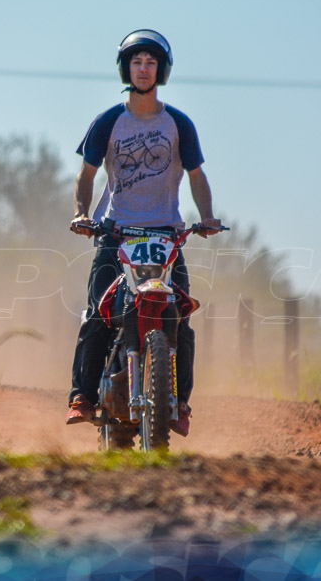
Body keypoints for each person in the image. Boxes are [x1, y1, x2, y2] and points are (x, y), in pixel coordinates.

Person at [66, 29, 221, 437]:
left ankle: (181, 403)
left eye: (151, 62)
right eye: (136, 62)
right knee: (97, 313)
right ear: (126, 68)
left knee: (180, 318)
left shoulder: (179, 124)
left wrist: (206, 217)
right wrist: (83, 213)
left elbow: (196, 175)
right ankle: (81, 396)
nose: (144, 68)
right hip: (115, 233)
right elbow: (87, 174)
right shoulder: (109, 122)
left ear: (162, 70)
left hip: (167, 235)